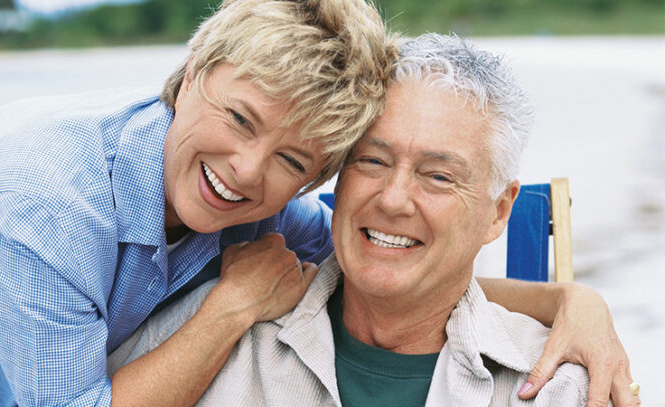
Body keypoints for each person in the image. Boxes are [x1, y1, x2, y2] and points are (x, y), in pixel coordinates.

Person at [0, 1, 633, 406]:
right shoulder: (43, 195)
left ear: (314, 178)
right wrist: (229, 308)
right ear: (189, 78)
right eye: (239, 119)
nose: (244, 171)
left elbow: (385, 268)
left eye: (291, 159)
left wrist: (570, 301)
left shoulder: (252, 210)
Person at [109, 34, 640, 407]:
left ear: (497, 211)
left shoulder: (565, 390)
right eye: (372, 161)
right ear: (334, 179)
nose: (393, 200)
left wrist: (576, 299)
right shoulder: (198, 337)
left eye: (437, 176)